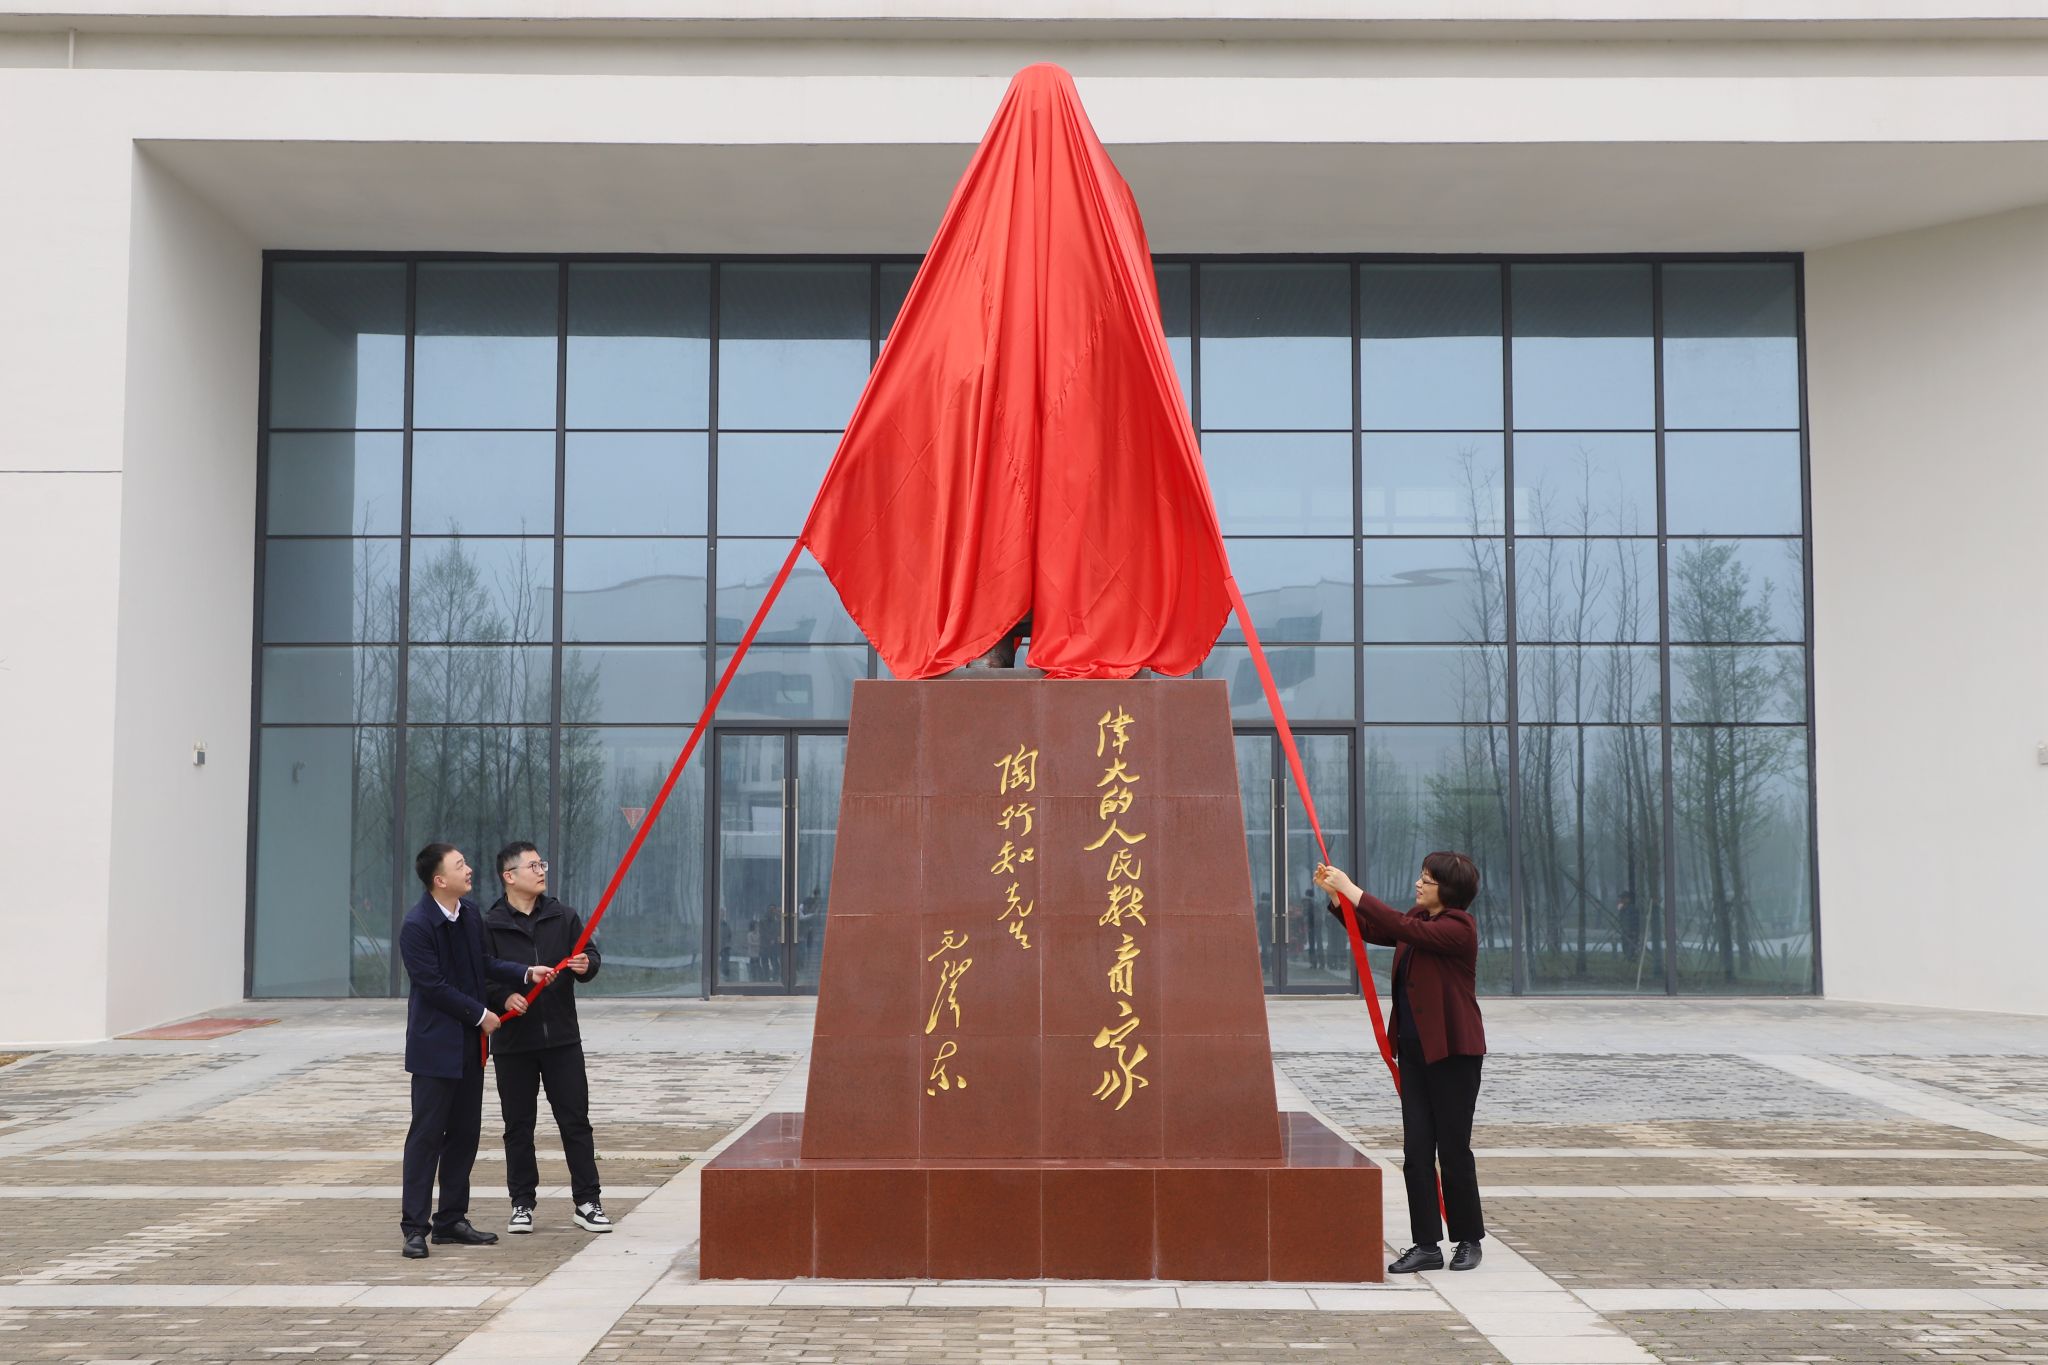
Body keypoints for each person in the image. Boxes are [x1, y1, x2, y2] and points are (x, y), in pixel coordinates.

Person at [1314, 853, 1487, 1275]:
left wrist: (1353, 888)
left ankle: (1468, 1239)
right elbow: (1378, 929)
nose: (1418, 884)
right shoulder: (1418, 920)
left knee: (1453, 1150)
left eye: (1427, 880)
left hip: (1453, 1053)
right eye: (1421, 877)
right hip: (1413, 1051)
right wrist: (1338, 898)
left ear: (1449, 889)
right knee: (1416, 1151)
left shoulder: (1458, 927)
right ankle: (1426, 1244)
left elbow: (1398, 925)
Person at [399, 843, 555, 1260]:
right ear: (439, 880)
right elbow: (433, 986)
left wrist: (525, 972)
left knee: (464, 1135)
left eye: (466, 862)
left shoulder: (468, 915)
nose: (469, 869)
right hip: (435, 1048)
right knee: (426, 1137)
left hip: (469, 1046)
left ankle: (451, 1220)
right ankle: (415, 1227)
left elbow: (483, 963)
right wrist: (481, 1014)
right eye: (460, 865)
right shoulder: (417, 925)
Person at [484, 841, 611, 1236]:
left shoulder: (563, 916)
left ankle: (587, 1201)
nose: (541, 871)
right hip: (513, 1044)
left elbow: (590, 957)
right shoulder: (488, 924)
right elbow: (480, 976)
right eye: (533, 866)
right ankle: (522, 1203)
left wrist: (587, 964)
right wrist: (504, 997)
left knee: (575, 1121)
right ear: (509, 876)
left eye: (543, 864)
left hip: (562, 1040)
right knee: (518, 1126)